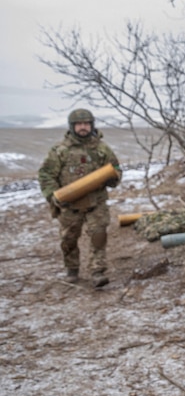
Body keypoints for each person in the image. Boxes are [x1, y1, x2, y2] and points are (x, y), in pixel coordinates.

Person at [38, 108, 122, 288]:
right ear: (72, 126)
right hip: (69, 205)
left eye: (86, 124)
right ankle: (72, 269)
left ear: (91, 125)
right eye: (79, 124)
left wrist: (113, 177)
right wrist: (53, 196)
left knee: (98, 236)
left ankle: (97, 271)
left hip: (96, 203)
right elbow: (46, 175)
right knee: (69, 240)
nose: (83, 127)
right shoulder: (60, 150)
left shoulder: (101, 149)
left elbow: (116, 169)